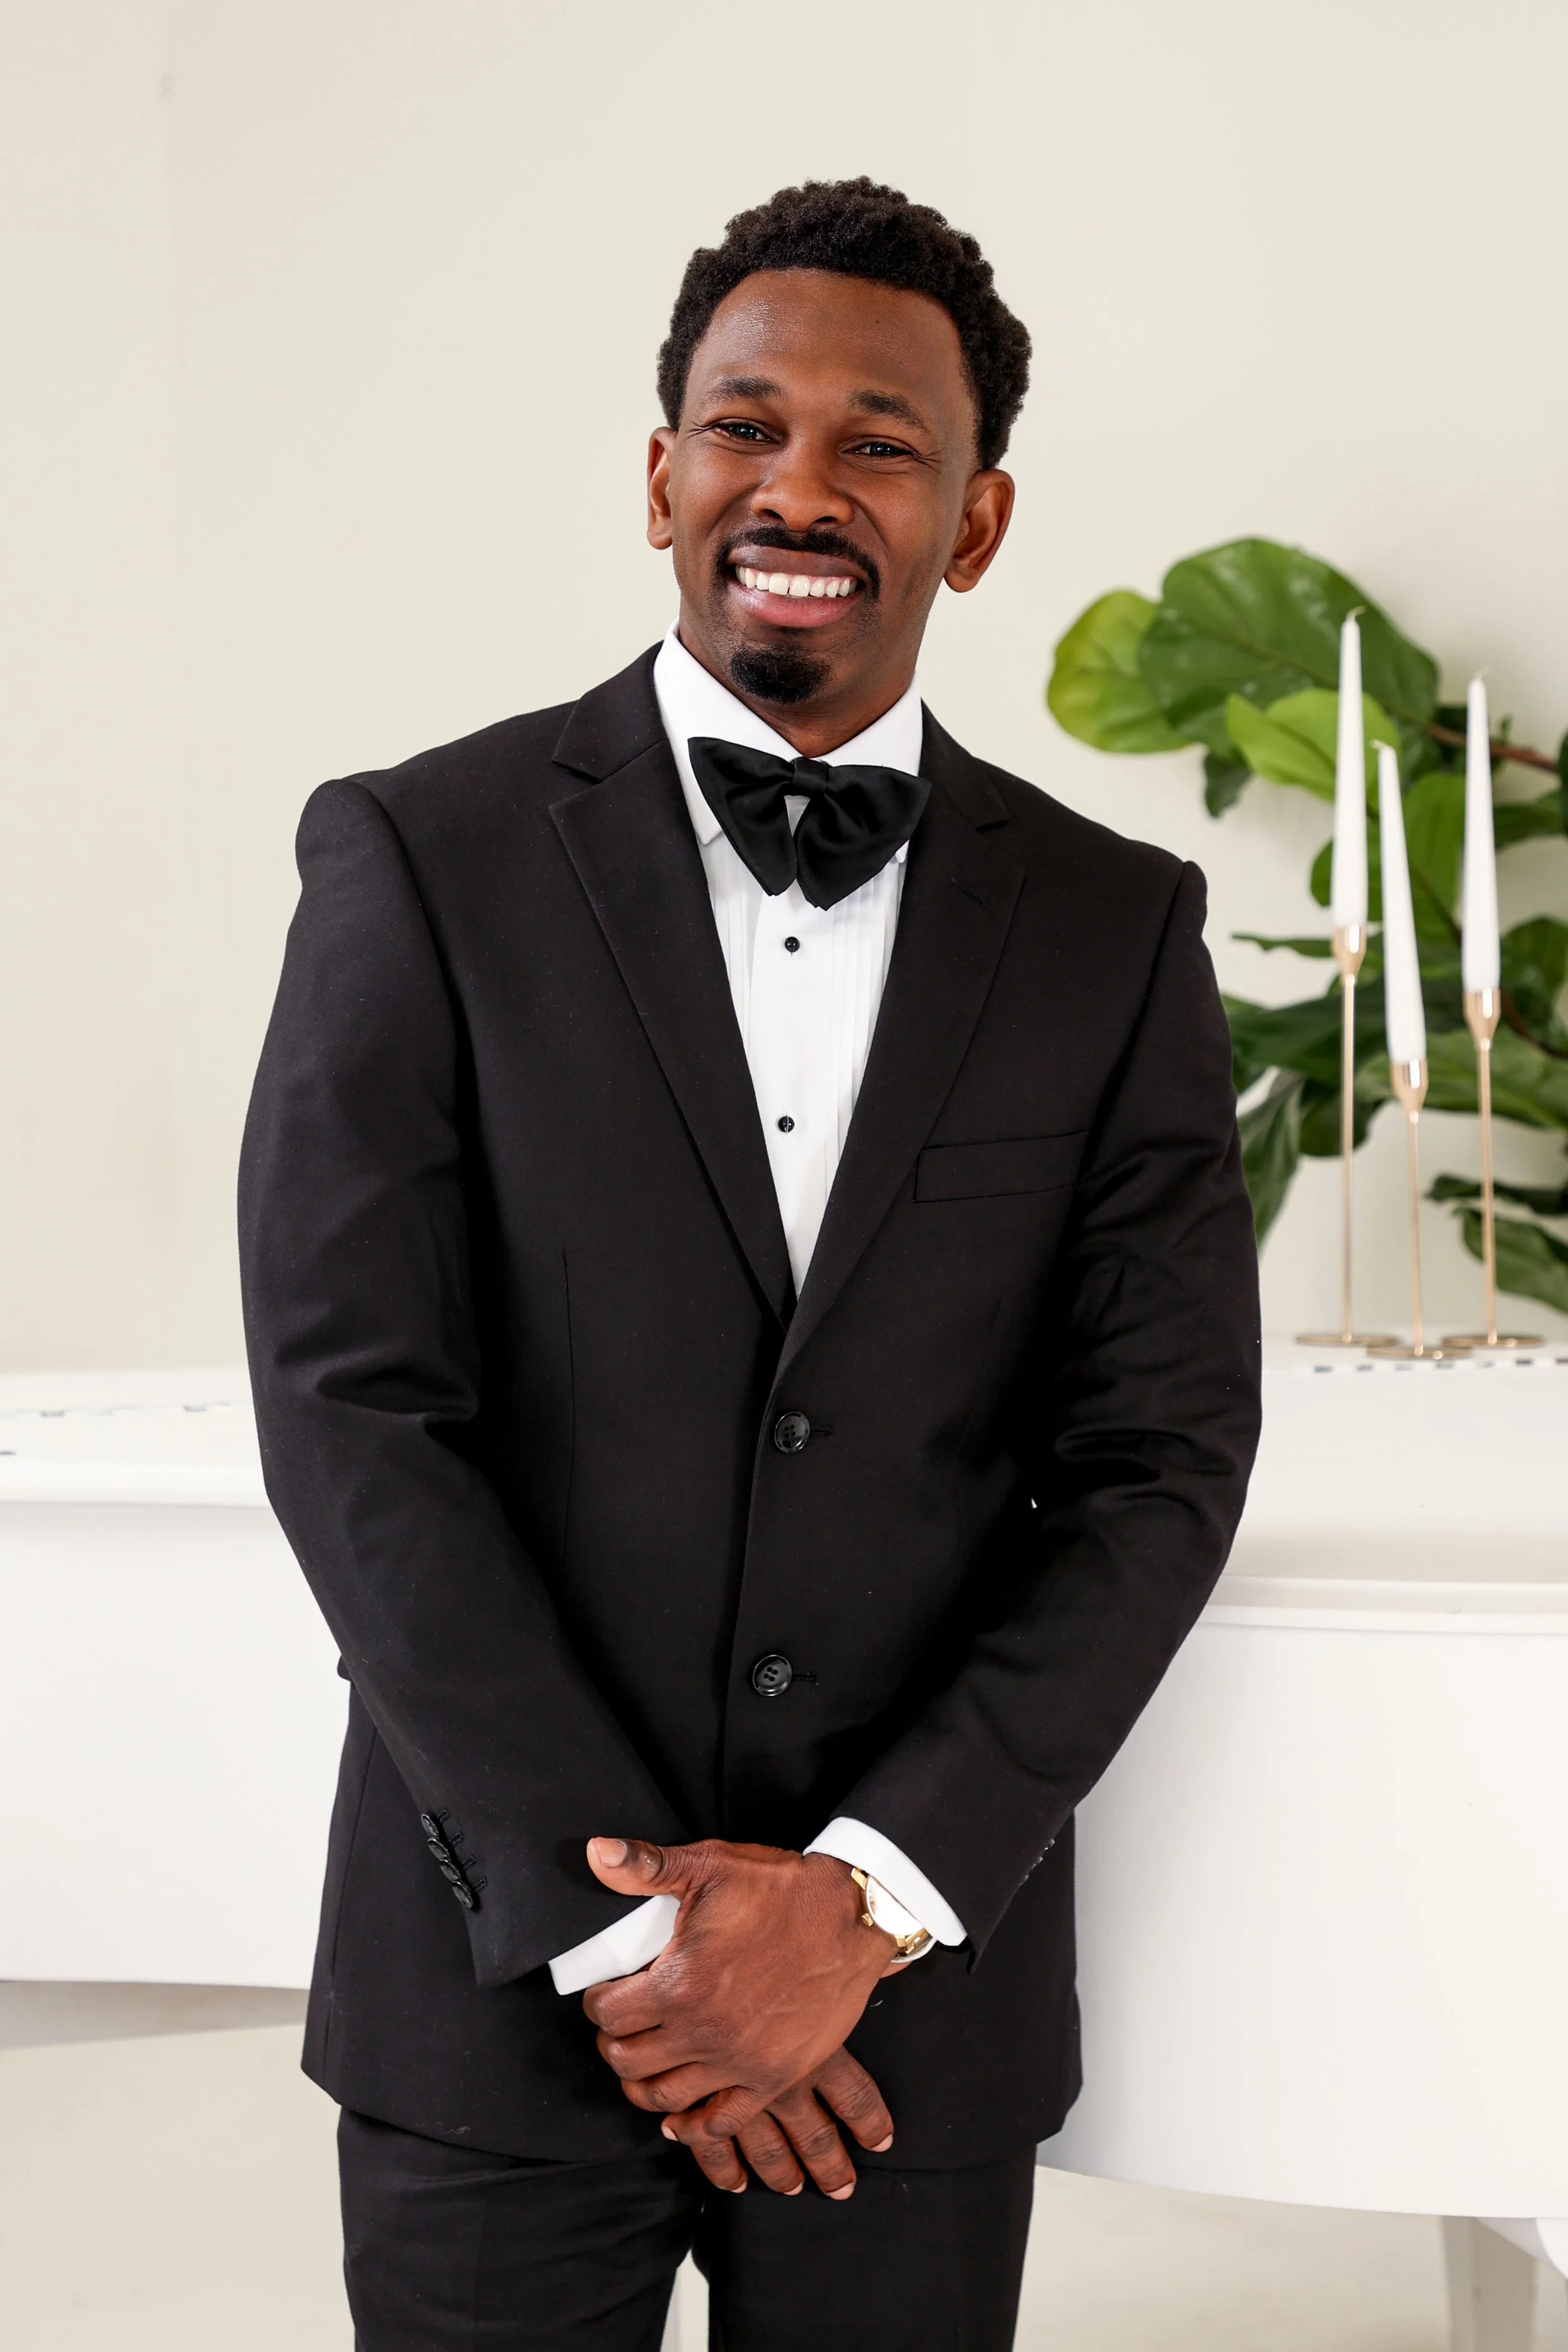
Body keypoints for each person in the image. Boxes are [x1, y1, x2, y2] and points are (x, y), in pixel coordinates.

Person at [239, 177, 1261, 2352]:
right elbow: (355, 1417)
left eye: (877, 440)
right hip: (497, 1979)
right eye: (742, 423)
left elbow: (1157, 1457)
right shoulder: (413, 857)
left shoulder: (1114, 928)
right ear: (659, 475)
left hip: (907, 2012)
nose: (796, 484)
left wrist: (861, 1901)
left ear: (975, 520)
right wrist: (637, 1945)